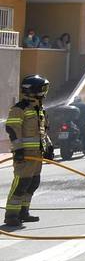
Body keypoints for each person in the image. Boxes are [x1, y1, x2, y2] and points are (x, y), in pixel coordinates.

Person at [5, 75, 51, 228]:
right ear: (33, 90)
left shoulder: (40, 109)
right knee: (21, 184)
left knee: (32, 183)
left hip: (37, 155)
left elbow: (43, 131)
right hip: (24, 155)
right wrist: (18, 149)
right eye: (43, 88)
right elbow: (12, 129)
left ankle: (23, 212)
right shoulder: (19, 108)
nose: (45, 92)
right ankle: (11, 215)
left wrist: (48, 146)